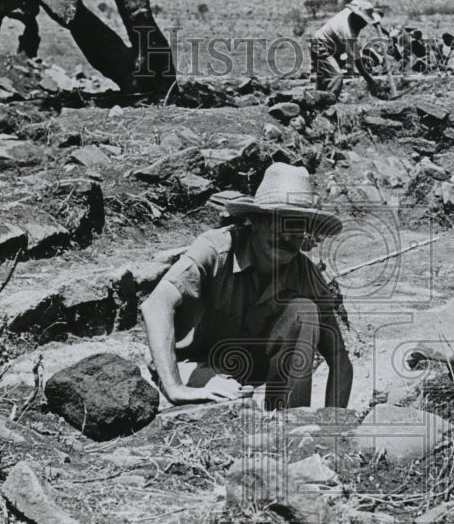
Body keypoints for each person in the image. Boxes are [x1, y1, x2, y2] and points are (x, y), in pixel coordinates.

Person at [141, 163, 353, 410]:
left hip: (249, 369)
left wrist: (332, 425)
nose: (287, 237)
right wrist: (176, 388)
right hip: (190, 361)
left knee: (303, 311)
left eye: (297, 226)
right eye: (279, 222)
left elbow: (340, 360)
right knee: (231, 398)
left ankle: (290, 421)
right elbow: (156, 304)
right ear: (255, 220)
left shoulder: (304, 273)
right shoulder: (216, 249)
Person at [310, 0, 385, 97]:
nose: (365, 24)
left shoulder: (349, 13)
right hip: (321, 45)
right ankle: (328, 105)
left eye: (367, 21)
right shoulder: (348, 32)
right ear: (357, 17)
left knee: (325, 78)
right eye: (364, 20)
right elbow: (358, 62)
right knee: (336, 76)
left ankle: (316, 102)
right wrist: (371, 82)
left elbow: (378, 13)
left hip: (333, 46)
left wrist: (375, 22)